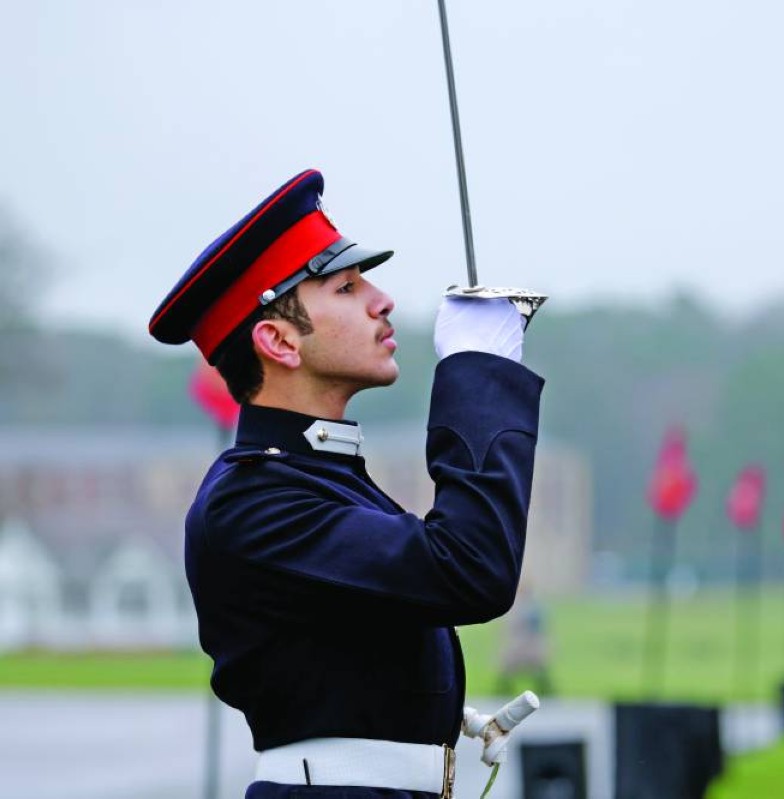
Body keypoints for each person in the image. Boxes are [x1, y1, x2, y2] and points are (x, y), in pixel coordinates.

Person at [148, 169, 544, 799]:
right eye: (347, 287)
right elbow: (469, 568)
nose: (382, 301)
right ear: (277, 340)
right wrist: (479, 379)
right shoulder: (253, 502)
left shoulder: (320, 477)